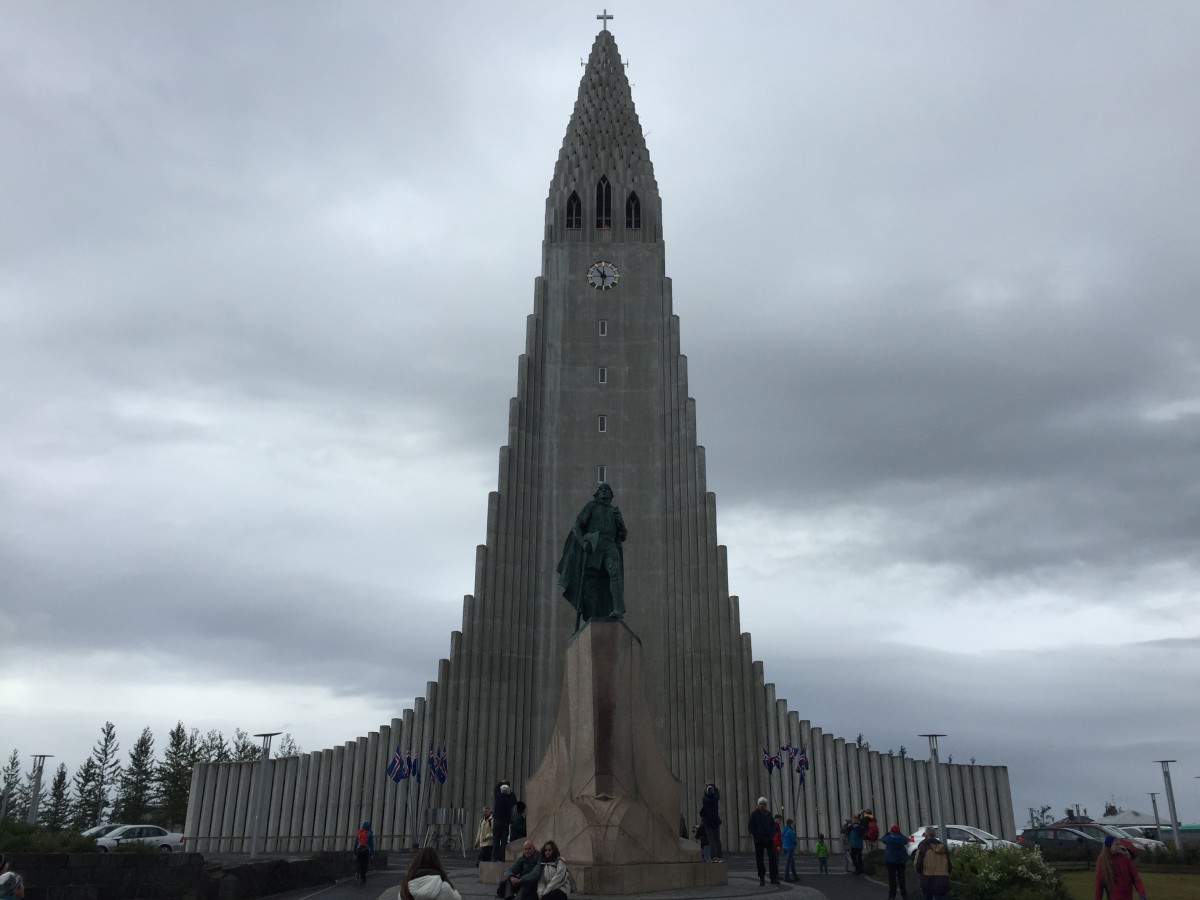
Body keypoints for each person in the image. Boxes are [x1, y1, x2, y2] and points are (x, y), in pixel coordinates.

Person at [556, 483, 627, 626]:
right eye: (601, 489)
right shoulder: (591, 506)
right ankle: (591, 613)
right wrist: (583, 543)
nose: (604, 490)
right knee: (590, 581)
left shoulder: (615, 512)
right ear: (597, 494)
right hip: (595, 543)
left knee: (615, 574)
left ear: (611, 495)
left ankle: (617, 609)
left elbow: (623, 536)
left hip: (610, 545)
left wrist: (621, 524)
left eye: (607, 489)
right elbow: (577, 526)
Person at [1094, 835, 1147, 900]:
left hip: (1128, 897)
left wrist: (1141, 893)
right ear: (1109, 846)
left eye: (1119, 844)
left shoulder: (1124, 857)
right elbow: (1099, 885)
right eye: (1116, 844)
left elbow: (1135, 876)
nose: (1118, 846)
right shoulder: (1102, 861)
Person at [748, 797, 780, 886]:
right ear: (758, 804)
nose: (762, 806)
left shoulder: (769, 814)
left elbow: (773, 827)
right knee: (760, 860)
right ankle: (762, 878)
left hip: (769, 839)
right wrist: (757, 835)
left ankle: (773, 878)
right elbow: (751, 827)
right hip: (759, 840)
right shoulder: (754, 814)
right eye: (761, 804)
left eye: (764, 804)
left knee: (772, 859)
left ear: (766, 805)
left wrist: (771, 835)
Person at [914, 827, 952, 900]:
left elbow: (918, 865)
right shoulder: (943, 847)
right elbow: (949, 866)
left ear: (926, 834)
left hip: (927, 880)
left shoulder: (922, 847)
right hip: (942, 880)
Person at [881, 824, 910, 899]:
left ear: (892, 831)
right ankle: (904, 895)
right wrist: (900, 833)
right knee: (901, 879)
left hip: (891, 860)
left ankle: (892, 895)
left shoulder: (889, 838)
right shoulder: (901, 838)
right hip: (901, 860)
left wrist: (887, 833)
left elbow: (883, 839)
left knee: (892, 878)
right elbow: (906, 841)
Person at [493, 781, 517, 861]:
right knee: (504, 841)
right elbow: (514, 800)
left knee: (496, 840)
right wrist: (509, 788)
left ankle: (494, 858)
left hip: (497, 821)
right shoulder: (510, 798)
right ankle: (502, 857)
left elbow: (496, 788)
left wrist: (501, 782)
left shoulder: (498, 796)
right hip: (506, 822)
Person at [700, 783, 723, 862]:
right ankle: (719, 856)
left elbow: (703, 811)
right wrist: (712, 786)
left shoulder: (705, 799)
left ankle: (713, 857)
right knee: (717, 839)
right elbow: (717, 793)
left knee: (711, 840)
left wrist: (701, 814)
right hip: (716, 821)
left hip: (708, 822)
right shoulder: (716, 798)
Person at [781, 817, 798, 882]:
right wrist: (795, 844)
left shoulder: (784, 830)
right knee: (789, 862)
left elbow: (782, 838)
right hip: (790, 848)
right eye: (793, 823)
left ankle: (795, 876)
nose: (793, 825)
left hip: (785, 847)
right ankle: (786, 877)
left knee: (791, 861)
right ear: (790, 824)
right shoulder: (790, 831)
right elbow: (793, 840)